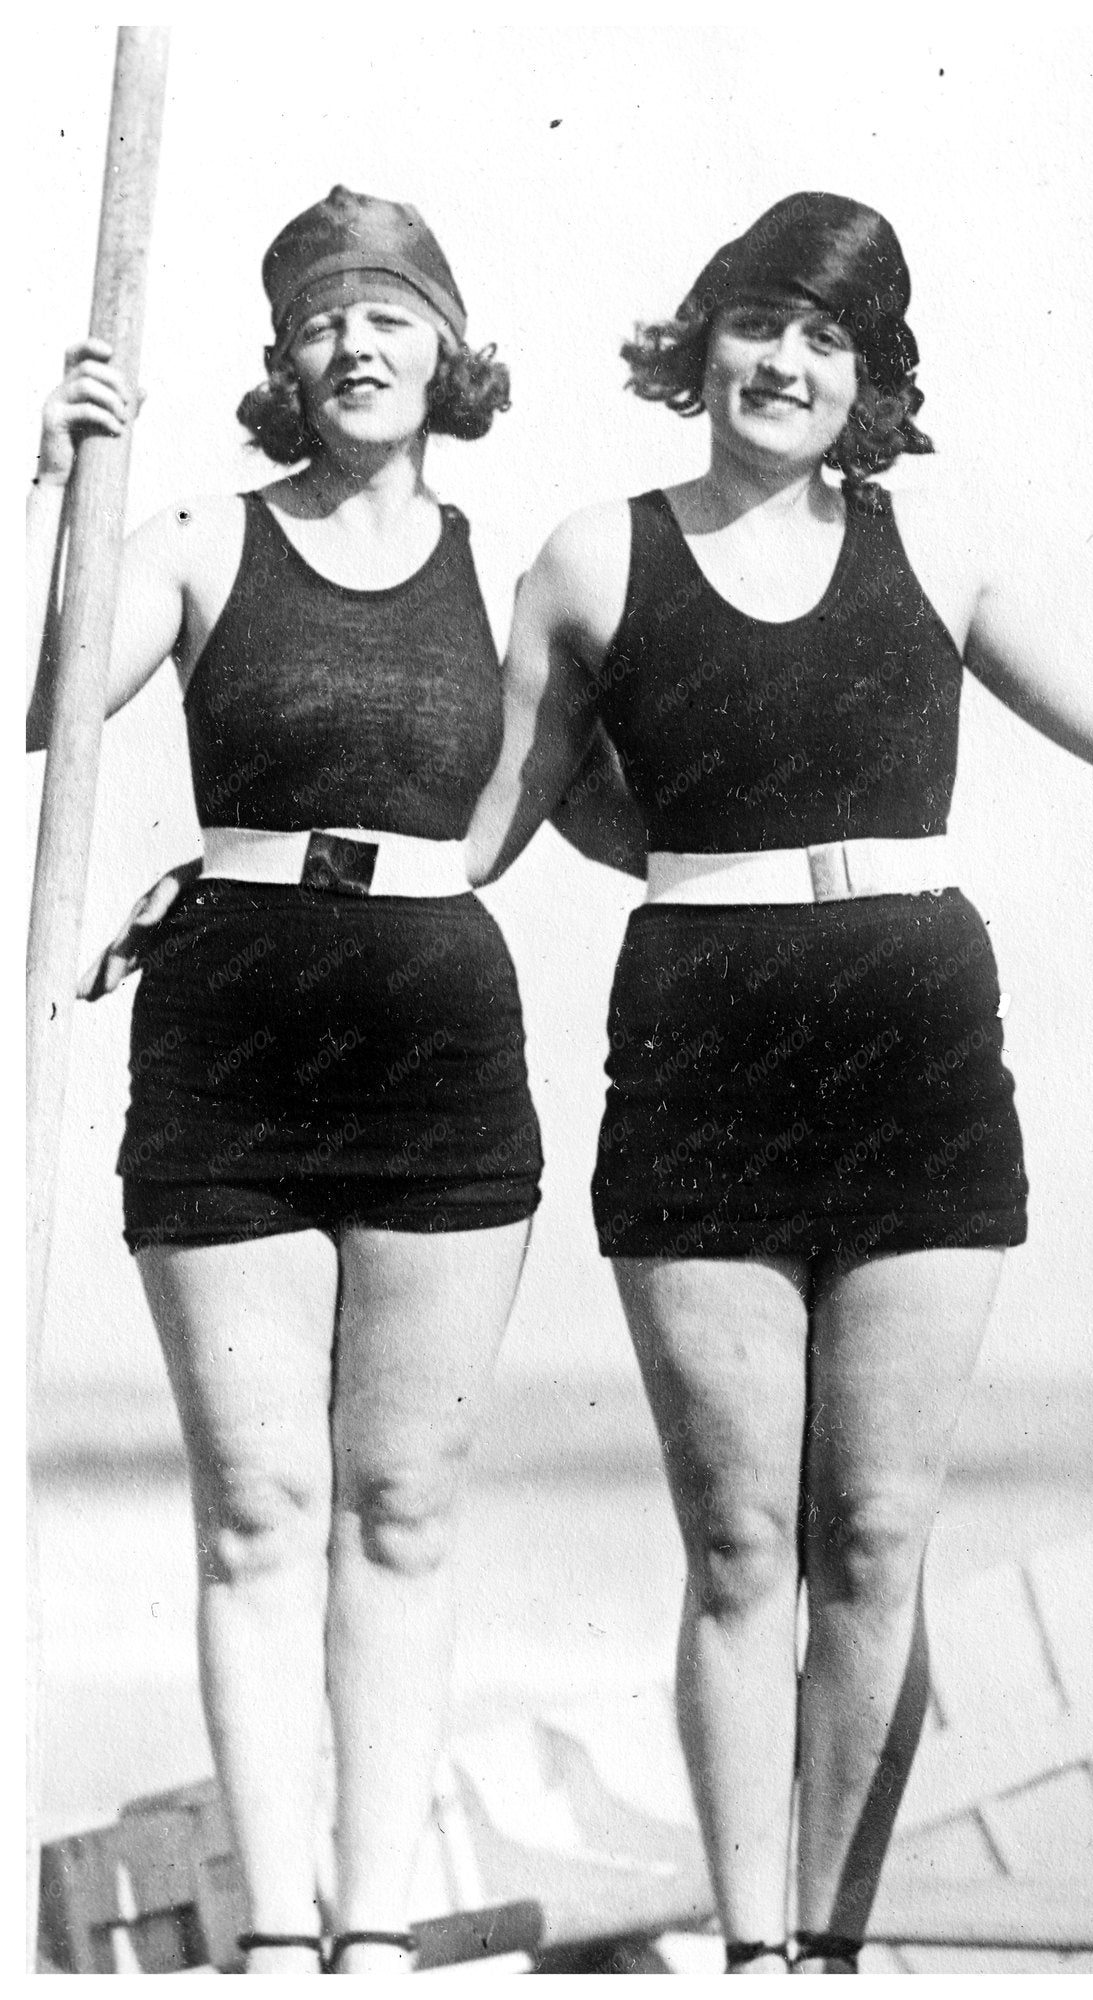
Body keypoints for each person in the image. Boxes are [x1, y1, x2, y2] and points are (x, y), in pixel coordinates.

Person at [463, 191, 1093, 1971]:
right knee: (739, 1538)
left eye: (829, 338)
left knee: (871, 1530)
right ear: (704, 338)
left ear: (872, 377)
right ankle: (755, 1950)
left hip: (916, 1041)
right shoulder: (586, 557)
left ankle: (834, 1952)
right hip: (696, 1044)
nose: (784, 361)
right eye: (761, 321)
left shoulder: (944, 550)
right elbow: (484, 834)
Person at [27, 186, 542, 1974]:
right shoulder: (188, 541)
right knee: (258, 1511)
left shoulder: (518, 572)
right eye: (323, 319)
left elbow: (621, 794)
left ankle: (377, 1929)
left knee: (403, 1508)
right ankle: (274, 1930)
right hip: (230, 1042)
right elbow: (43, 713)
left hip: (441, 1047)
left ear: (447, 347)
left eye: (391, 312)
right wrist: (65, 492)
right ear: (282, 361)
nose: (355, 343)